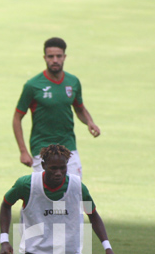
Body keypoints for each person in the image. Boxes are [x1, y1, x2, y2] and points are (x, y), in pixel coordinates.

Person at [12, 37, 100, 177]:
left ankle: (86, 201)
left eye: (58, 56)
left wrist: (89, 122)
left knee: (76, 189)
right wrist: (23, 151)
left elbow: (79, 108)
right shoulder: (33, 85)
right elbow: (17, 118)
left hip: (68, 146)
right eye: (50, 56)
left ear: (64, 57)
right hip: (42, 149)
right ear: (44, 58)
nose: (55, 60)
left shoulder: (73, 82)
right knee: (51, 194)